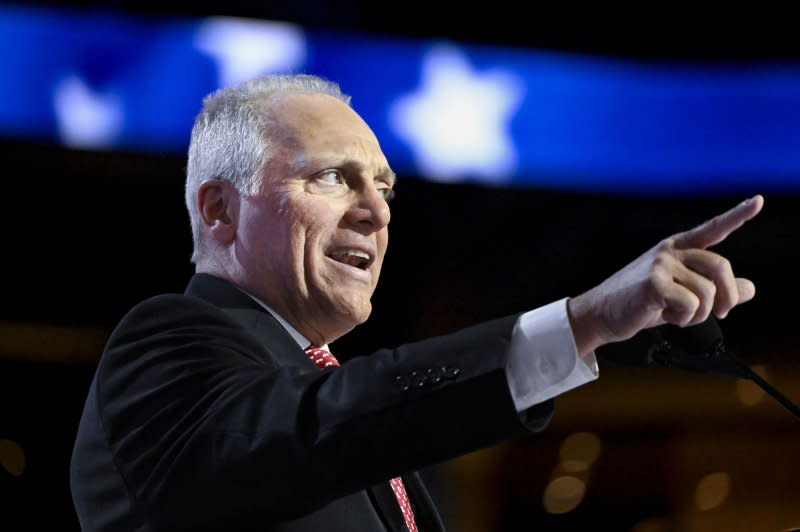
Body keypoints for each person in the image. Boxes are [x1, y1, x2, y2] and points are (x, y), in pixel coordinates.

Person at [69, 73, 764, 531]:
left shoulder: (331, 392)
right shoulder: (167, 342)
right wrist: (581, 324)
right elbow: (313, 431)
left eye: (384, 187)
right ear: (220, 209)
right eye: (334, 178)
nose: (376, 211)